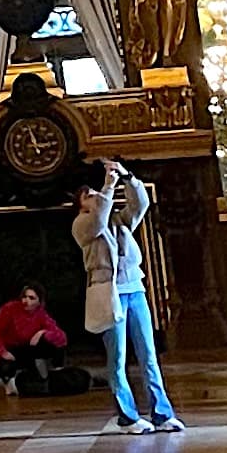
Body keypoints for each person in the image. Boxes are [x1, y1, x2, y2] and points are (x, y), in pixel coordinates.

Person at [74, 159, 180, 432]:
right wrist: (108, 186)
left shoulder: (119, 221)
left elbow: (140, 205)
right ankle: (128, 416)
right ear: (81, 204)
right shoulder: (82, 225)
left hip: (135, 289)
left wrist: (128, 177)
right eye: (89, 194)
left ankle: (162, 413)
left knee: (149, 353)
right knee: (118, 357)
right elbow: (98, 219)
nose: (96, 194)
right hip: (110, 294)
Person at [0, 280, 69, 398]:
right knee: (5, 367)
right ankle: (9, 382)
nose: (26, 301)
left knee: (54, 344)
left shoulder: (40, 313)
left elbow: (61, 337)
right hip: (13, 349)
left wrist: (42, 332)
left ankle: (57, 376)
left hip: (29, 349)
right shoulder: (10, 308)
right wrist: (2, 351)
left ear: (39, 301)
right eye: (25, 297)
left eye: (31, 298)